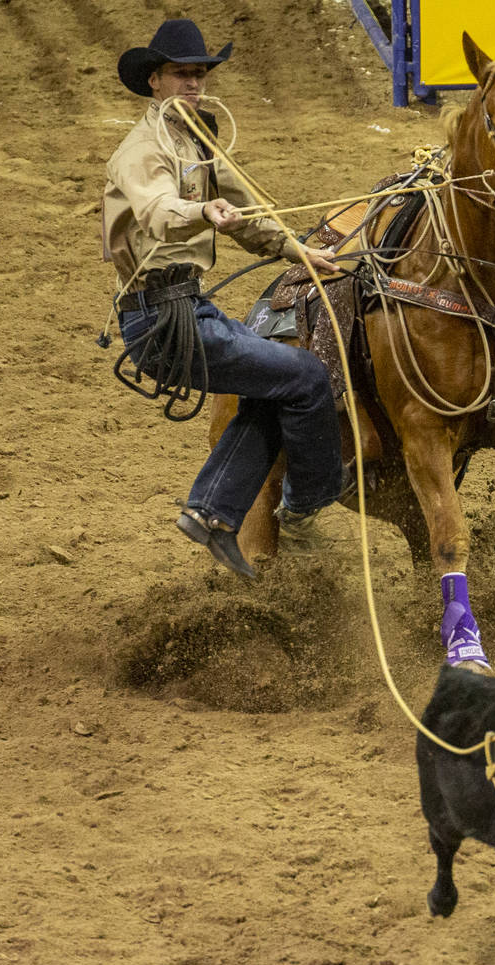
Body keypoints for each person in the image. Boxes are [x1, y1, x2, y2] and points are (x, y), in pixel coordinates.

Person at [103, 19, 344, 578]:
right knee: (305, 376)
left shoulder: (200, 141)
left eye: (199, 74)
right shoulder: (143, 150)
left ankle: (210, 511)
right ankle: (308, 505)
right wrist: (200, 210)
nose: (193, 84)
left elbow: (244, 214)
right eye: (181, 75)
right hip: (162, 319)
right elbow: (158, 210)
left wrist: (295, 250)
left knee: (272, 385)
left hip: (189, 308)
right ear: (155, 81)